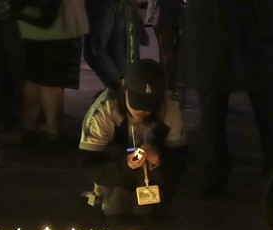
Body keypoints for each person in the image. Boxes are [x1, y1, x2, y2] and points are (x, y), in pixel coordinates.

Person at [181, 0, 273, 197]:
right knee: (267, 108)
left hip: (213, 24)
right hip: (255, 22)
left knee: (212, 108)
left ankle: (214, 173)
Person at [79, 58, 187, 215]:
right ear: (124, 87)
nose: (142, 111)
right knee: (114, 155)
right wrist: (125, 165)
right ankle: (112, 204)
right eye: (138, 101)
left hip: (152, 175)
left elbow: (180, 160)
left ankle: (150, 207)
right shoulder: (103, 111)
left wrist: (158, 160)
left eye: (150, 104)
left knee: (144, 211)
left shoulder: (170, 107)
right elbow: (89, 165)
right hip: (116, 169)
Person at [18, 0, 89, 145]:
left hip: (29, 18)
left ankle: (30, 128)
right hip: (59, 22)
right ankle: (53, 132)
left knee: (33, 78)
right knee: (53, 81)